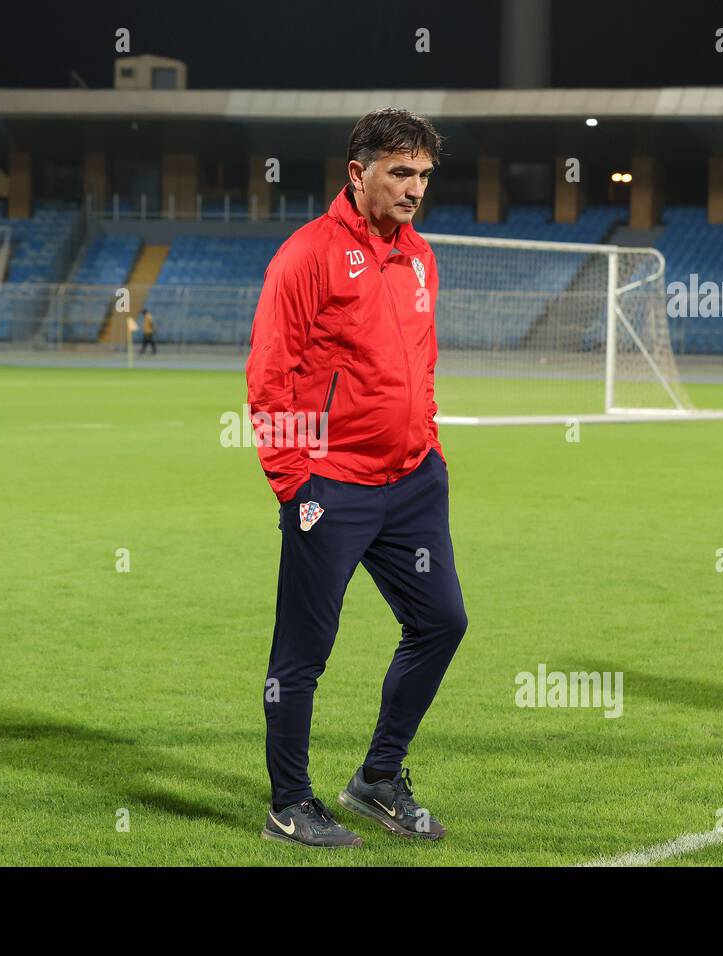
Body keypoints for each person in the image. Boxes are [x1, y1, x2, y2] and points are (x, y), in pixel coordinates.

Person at [246, 108, 466, 847]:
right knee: (303, 656)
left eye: (423, 175)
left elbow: (422, 366)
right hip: (330, 487)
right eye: (400, 172)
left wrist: (427, 447)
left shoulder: (421, 258)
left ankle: (378, 778)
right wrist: (295, 485)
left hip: (410, 485)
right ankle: (289, 803)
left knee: (442, 622)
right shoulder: (306, 256)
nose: (414, 189)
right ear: (358, 172)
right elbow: (269, 378)